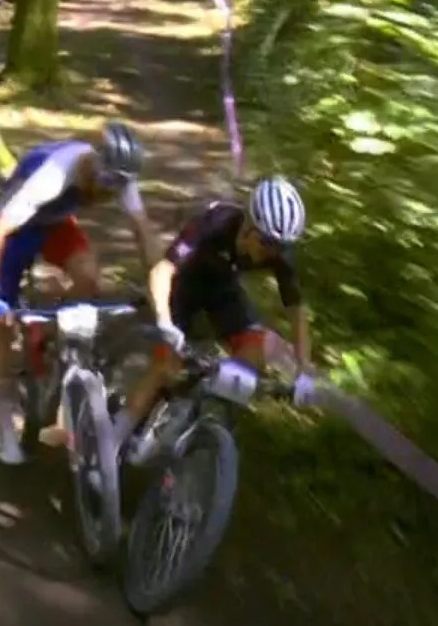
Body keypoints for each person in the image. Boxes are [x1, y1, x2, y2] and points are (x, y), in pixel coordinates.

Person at [0, 121, 162, 465]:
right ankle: (4, 427)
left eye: (116, 189)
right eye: (105, 185)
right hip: (17, 226)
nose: (108, 195)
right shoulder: (53, 175)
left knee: (88, 277)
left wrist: (161, 287)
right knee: (0, 323)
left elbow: (144, 233)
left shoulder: (119, 176)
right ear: (93, 164)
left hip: (54, 223)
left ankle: (44, 333)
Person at [110, 175, 321, 464]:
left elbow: (297, 311)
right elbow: (162, 271)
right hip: (183, 287)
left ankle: (201, 412)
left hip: (223, 290)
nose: (273, 253)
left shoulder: (278, 253)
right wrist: (164, 322)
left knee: (257, 352)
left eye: (281, 247)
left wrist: (304, 369)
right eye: (268, 243)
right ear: (249, 226)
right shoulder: (215, 223)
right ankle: (110, 444)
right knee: (165, 367)